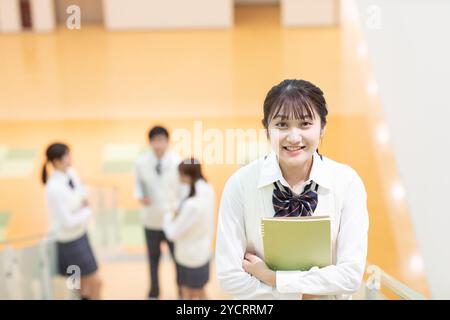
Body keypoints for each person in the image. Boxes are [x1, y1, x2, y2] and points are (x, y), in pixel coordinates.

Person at [215, 79, 369, 300]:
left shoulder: (347, 183)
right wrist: (305, 294)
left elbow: (351, 276)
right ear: (267, 129)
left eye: (305, 124)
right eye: (282, 125)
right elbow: (229, 278)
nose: (294, 137)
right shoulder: (240, 185)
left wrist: (273, 278)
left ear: (322, 127)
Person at [42, 142, 102, 300]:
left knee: (82, 287)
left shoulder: (71, 173)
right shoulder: (53, 188)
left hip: (81, 235)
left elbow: (81, 193)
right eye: (67, 156)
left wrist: (83, 206)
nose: (70, 158)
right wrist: (87, 211)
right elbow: (67, 221)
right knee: (93, 283)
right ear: (56, 161)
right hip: (68, 242)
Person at [135, 126, 181, 299]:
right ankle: (154, 291)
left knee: (178, 260)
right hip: (151, 220)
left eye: (161, 140)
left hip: (171, 220)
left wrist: (177, 208)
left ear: (167, 141)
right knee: (153, 260)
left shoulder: (176, 161)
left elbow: (181, 189)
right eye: (154, 140)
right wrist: (140, 196)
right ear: (150, 142)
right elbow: (138, 186)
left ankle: (181, 291)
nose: (158, 144)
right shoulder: (141, 162)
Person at [163, 158, 215, 300]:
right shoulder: (207, 187)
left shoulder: (193, 204)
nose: (179, 178)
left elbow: (172, 233)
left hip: (190, 256)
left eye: (181, 174)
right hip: (202, 251)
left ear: (188, 175)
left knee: (189, 292)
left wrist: (168, 215)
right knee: (201, 290)